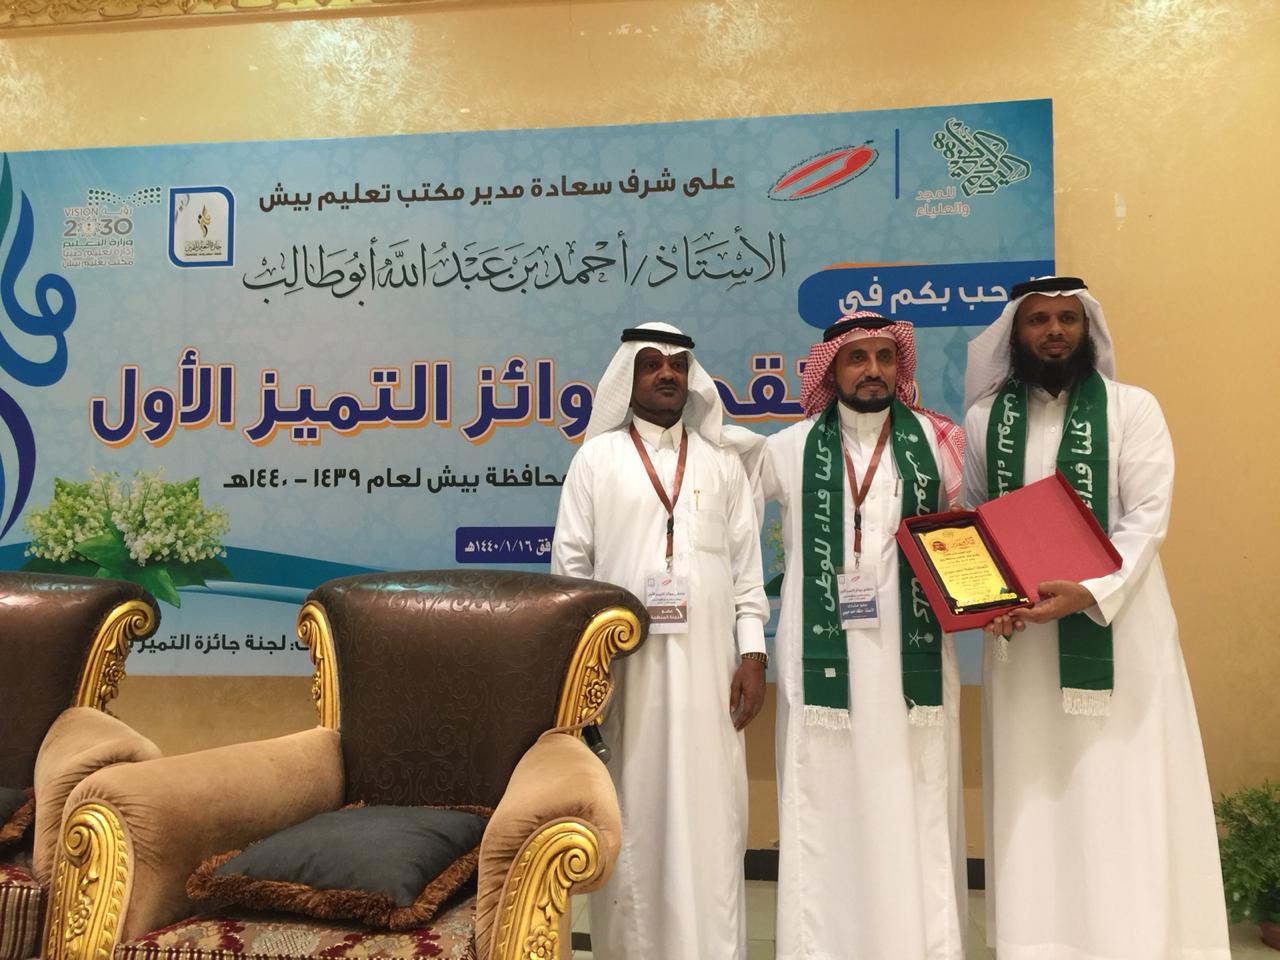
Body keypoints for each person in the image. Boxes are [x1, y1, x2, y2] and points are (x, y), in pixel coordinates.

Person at [962, 276, 1229, 960]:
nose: (1055, 331)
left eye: (1068, 319)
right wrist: (987, 596)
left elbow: (1147, 518)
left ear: (1088, 330)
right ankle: (1038, 943)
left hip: (1121, 624)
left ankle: (1131, 940)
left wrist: (1092, 590)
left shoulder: (1132, 408)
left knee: (1121, 784)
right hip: (1025, 644)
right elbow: (976, 516)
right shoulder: (986, 419)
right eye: (1039, 320)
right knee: (1033, 789)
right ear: (1015, 334)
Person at [551, 321, 769, 960]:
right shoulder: (596, 460)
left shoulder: (721, 464)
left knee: (713, 813)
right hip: (625, 677)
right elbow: (570, 571)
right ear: (629, 378)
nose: (667, 373)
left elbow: (747, 572)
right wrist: (583, 676)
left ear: (691, 378)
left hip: (712, 674)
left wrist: (753, 654)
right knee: (633, 812)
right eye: (651, 364)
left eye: (677, 364)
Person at [761, 311, 968, 960]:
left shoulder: (939, 442)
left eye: (885, 357)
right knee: (825, 801)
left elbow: (978, 529)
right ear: (832, 370)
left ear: (899, 366)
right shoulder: (788, 449)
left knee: (914, 794)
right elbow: (726, 516)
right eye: (857, 358)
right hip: (823, 663)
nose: (873, 370)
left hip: (912, 663)